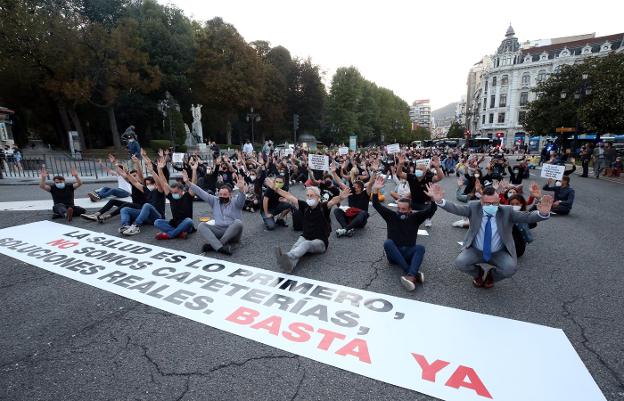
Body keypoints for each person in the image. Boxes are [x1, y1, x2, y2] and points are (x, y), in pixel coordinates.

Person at [424, 183, 553, 289]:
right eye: (487, 203)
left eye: (495, 203)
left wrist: (541, 213)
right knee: (460, 263)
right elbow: (456, 208)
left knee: (510, 268)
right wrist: (440, 201)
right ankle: (478, 273)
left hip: (499, 252)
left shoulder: (507, 211)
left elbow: (527, 217)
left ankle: (492, 276)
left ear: (499, 201)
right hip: (476, 250)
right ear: (481, 201)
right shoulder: (473, 207)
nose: (491, 206)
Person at [266, 178, 347, 273]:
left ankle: (286, 256)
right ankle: (289, 266)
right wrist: (275, 189)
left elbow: (333, 201)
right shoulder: (304, 206)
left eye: (311, 196)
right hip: (306, 236)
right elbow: (289, 196)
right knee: (297, 245)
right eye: (307, 196)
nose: (309, 198)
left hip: (320, 242)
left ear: (318, 197)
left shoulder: (323, 207)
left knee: (305, 244)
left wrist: (341, 197)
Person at [371, 176, 429, 291]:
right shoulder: (391, 216)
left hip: (408, 253)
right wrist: (375, 190)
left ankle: (410, 276)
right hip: (394, 254)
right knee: (388, 243)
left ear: (410, 210)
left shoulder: (415, 218)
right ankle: (411, 273)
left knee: (420, 248)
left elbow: (430, 210)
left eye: (404, 209)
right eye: (399, 208)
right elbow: (376, 205)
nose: (401, 211)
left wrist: (433, 200)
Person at [189, 175, 246, 255]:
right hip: (219, 230)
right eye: (220, 194)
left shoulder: (236, 202)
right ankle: (220, 247)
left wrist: (241, 189)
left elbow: (242, 199)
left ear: (230, 195)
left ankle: (215, 245)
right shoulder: (215, 201)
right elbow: (200, 192)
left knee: (238, 222)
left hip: (233, 232)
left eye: (225, 195)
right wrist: (187, 182)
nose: (222, 196)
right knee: (201, 225)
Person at [118, 156, 167, 235]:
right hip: (146, 217)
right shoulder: (146, 189)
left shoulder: (160, 191)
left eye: (150, 184)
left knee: (147, 205)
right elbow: (135, 182)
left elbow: (159, 182)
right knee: (125, 209)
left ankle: (136, 226)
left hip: (158, 217)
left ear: (155, 184)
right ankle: (126, 226)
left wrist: (152, 171)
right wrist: (127, 173)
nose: (148, 185)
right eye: (147, 184)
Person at [152, 160, 196, 240]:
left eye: (175, 192)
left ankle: (170, 234)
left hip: (186, 225)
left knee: (189, 221)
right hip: (175, 224)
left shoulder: (187, 196)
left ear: (181, 191)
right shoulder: (171, 196)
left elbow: (194, 185)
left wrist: (194, 170)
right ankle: (179, 233)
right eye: (172, 192)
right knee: (157, 222)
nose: (173, 193)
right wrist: (159, 169)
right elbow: (163, 182)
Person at [398, 155, 443, 228]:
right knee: (402, 203)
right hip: (413, 202)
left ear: (425, 171)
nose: (418, 170)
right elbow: (399, 173)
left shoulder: (429, 177)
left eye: (421, 169)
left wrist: (437, 167)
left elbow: (440, 177)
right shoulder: (411, 177)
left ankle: (428, 218)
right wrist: (400, 164)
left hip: (425, 204)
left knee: (434, 206)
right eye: (417, 169)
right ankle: (406, 216)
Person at [331, 165, 373, 237]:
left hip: (361, 220)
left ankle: (345, 229)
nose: (353, 187)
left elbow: (371, 183)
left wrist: (374, 172)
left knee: (363, 213)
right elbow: (340, 183)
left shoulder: (366, 193)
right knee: (337, 210)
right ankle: (347, 229)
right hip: (350, 217)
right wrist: (334, 173)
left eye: (355, 186)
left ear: (359, 188)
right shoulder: (351, 192)